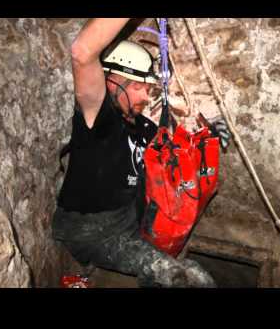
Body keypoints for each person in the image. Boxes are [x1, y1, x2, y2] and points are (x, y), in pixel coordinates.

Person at [52, 18, 229, 288]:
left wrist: (209, 139)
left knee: (193, 270)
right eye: (138, 87)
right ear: (112, 82)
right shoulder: (98, 120)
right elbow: (82, 52)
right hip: (93, 232)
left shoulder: (142, 125)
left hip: (130, 220)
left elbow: (172, 152)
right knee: (182, 277)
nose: (145, 97)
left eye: (147, 89)